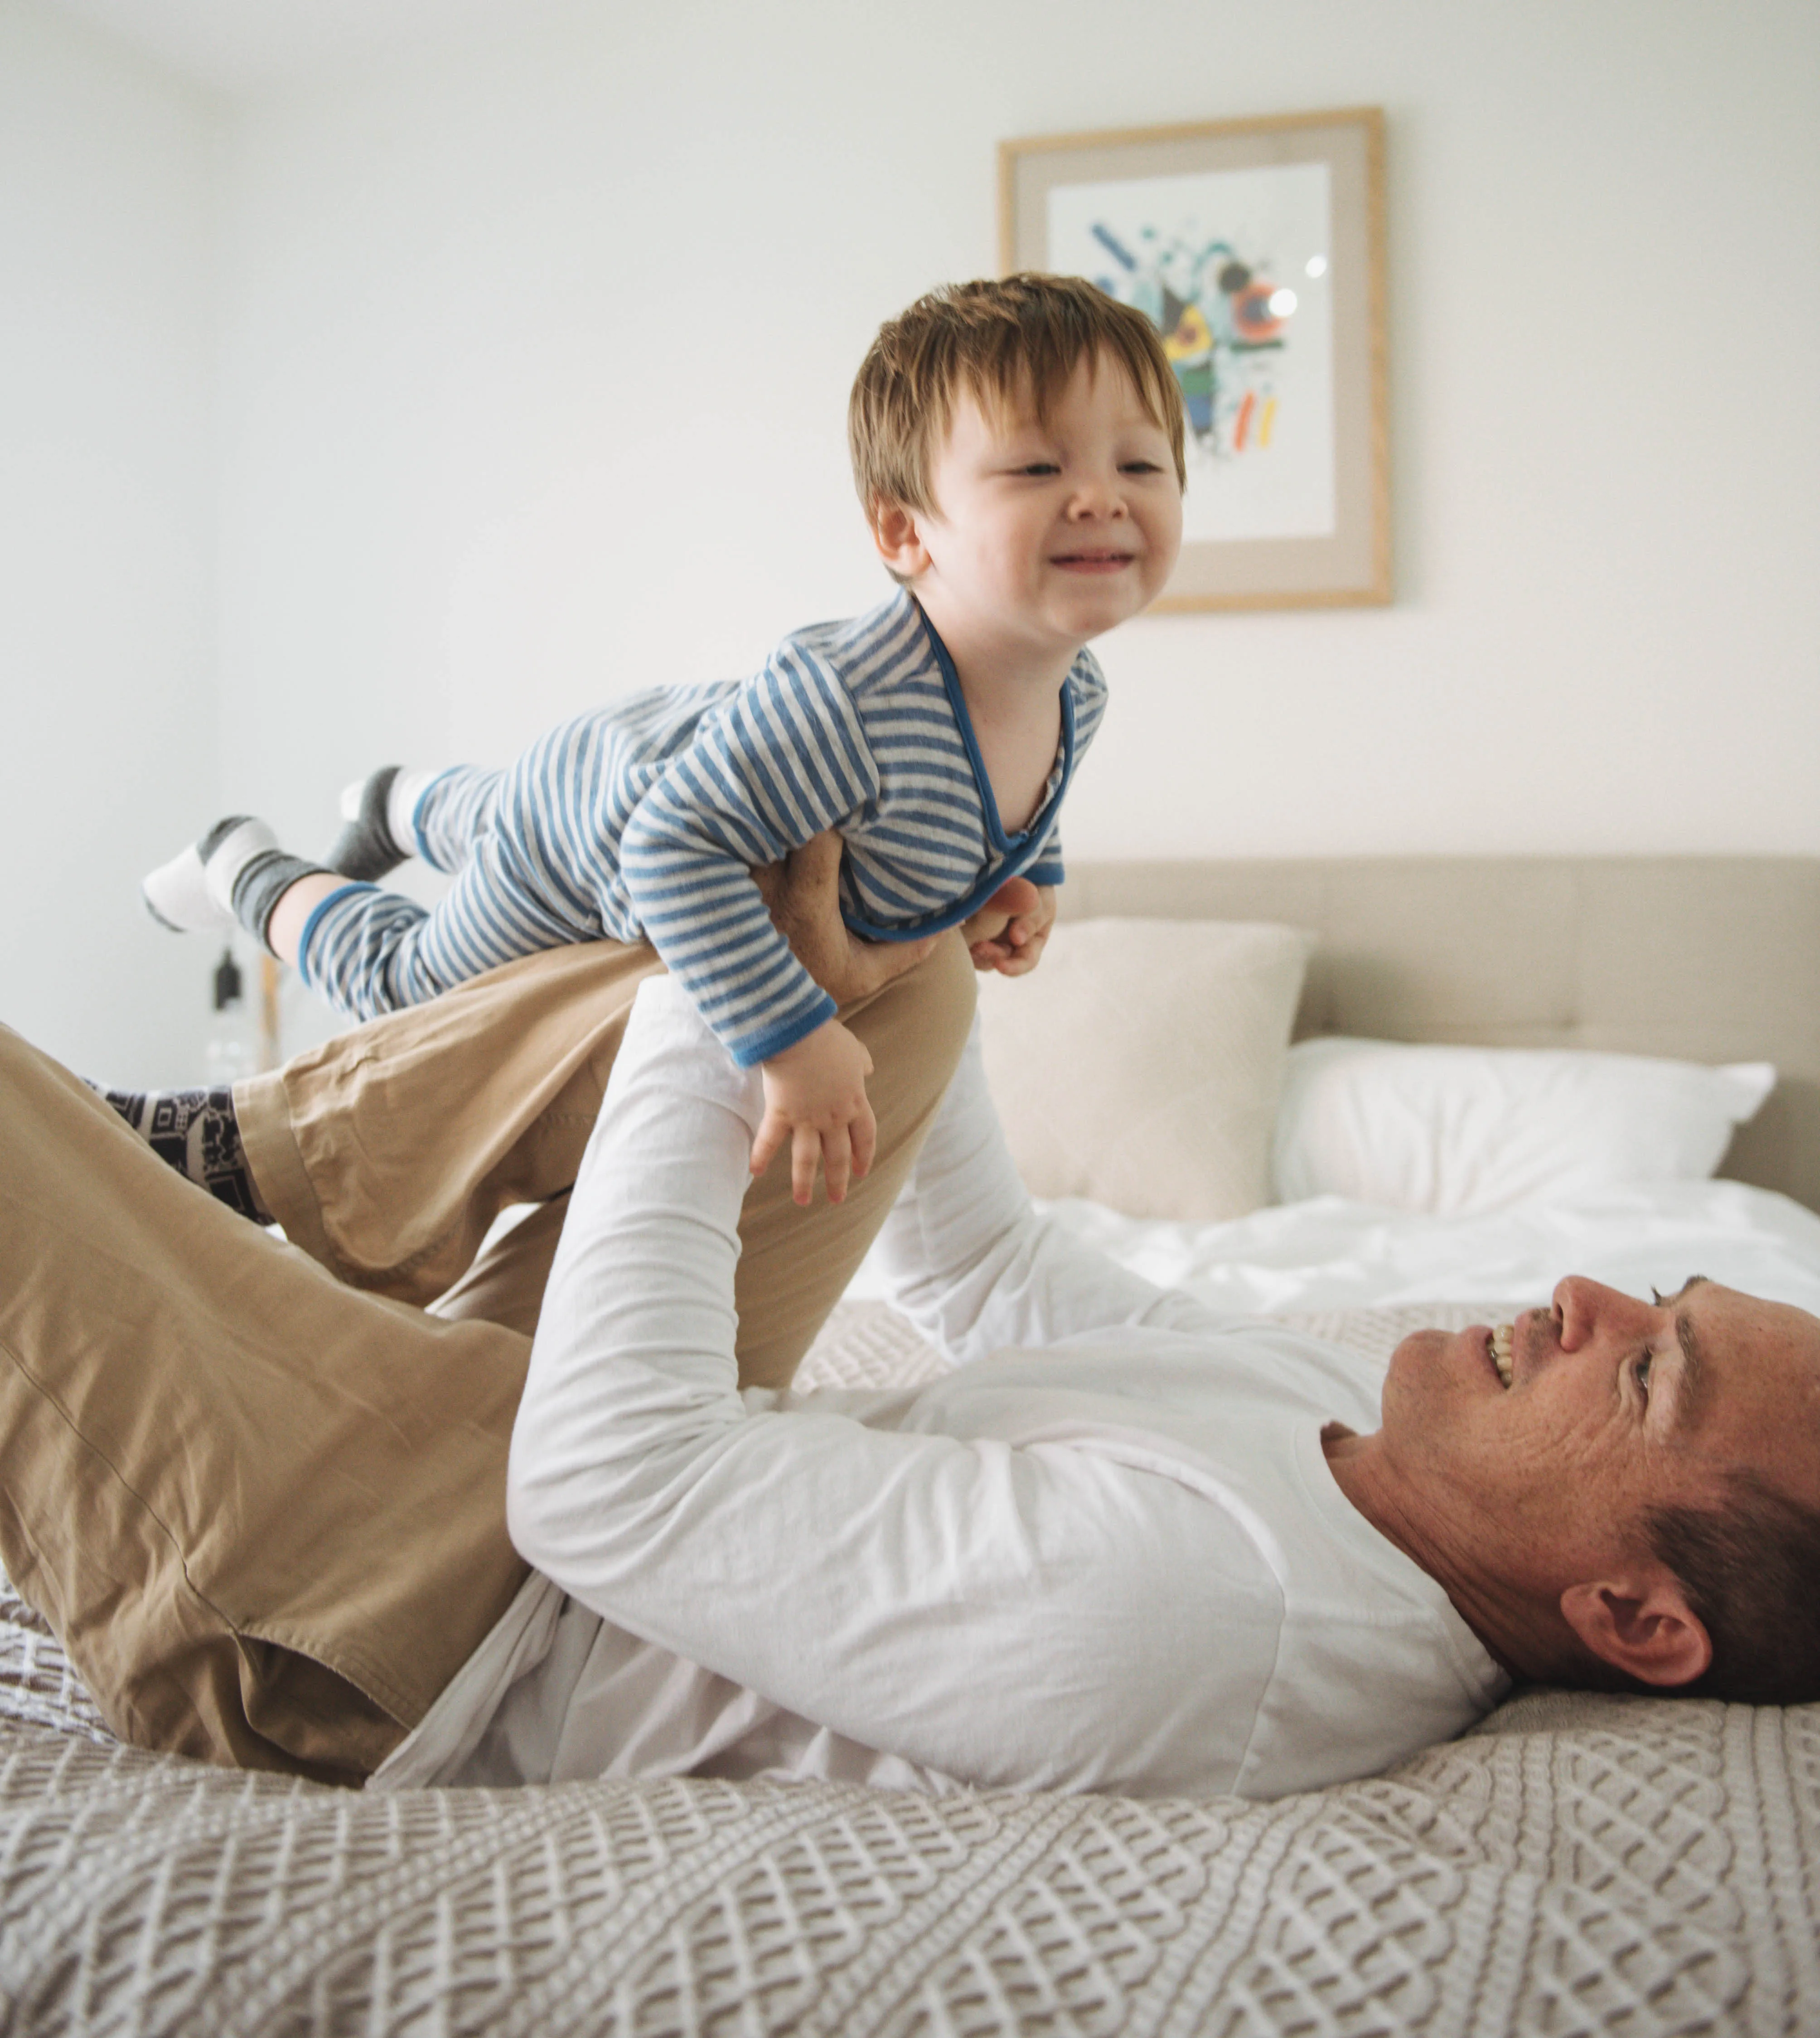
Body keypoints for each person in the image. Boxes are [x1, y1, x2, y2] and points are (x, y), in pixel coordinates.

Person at [6, 844, 1819, 1800]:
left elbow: (608, 1493)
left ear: (1633, 1616)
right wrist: (883, 930)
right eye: (1647, 1288)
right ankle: (255, 1153)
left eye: (1642, 1367)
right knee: (874, 938)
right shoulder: (1381, 1437)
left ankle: (252, 1165)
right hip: (537, 1464)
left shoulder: (1200, 1616)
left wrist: (706, 1009)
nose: (1575, 1291)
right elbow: (997, 1285)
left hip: (393, 1618)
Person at [138, 273, 1187, 1205]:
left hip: (625, 759)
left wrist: (1025, 883)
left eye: (1141, 463)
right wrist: (788, 1036)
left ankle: (395, 801)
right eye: (1038, 469)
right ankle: (249, 864)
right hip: (596, 834)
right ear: (904, 531)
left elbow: (1024, 811)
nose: (1101, 495)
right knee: (413, 994)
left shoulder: (1076, 693)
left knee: (498, 807)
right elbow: (667, 848)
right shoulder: (854, 705)